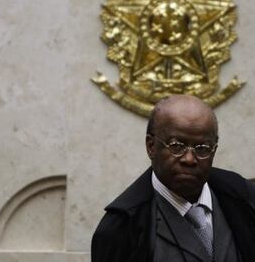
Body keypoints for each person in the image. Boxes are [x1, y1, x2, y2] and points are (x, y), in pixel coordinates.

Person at [91, 95, 255, 262]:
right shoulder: (120, 230)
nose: (190, 159)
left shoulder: (244, 198)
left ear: (214, 150)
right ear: (151, 146)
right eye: (177, 146)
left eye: (202, 148)